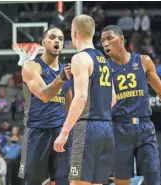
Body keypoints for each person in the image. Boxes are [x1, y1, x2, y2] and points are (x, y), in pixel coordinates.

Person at [100, 25, 161, 185]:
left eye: (109, 38)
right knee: (122, 181)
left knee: (153, 179)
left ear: (122, 39)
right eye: (103, 40)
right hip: (119, 129)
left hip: (145, 127)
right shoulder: (105, 68)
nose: (105, 43)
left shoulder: (143, 61)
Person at [54, 14, 116, 185]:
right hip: (106, 128)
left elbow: (80, 97)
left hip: (87, 128)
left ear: (75, 33)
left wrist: (64, 132)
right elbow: (113, 99)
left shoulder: (80, 58)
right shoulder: (104, 60)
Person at [18, 27, 72, 185]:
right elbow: (44, 95)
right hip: (38, 132)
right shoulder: (32, 67)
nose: (57, 41)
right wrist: (60, 79)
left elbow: (70, 105)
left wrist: (69, 132)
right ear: (43, 42)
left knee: (65, 181)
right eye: (53, 37)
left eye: (61, 39)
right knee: (34, 182)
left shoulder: (65, 71)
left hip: (60, 133)